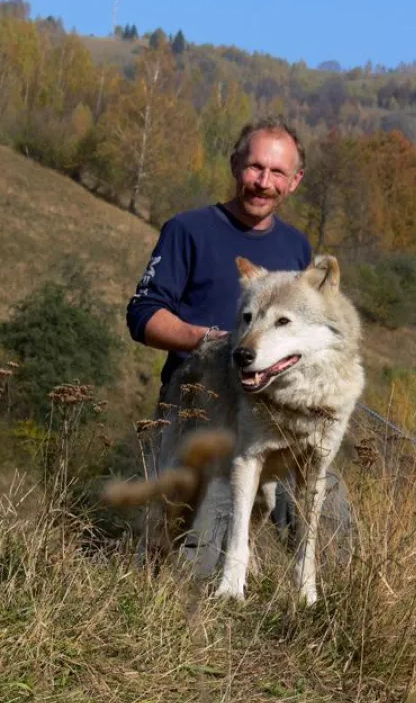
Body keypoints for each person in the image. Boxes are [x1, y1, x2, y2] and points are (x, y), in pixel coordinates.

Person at [126, 115, 312, 544]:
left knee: (328, 523)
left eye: (277, 172)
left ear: (295, 181)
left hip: (275, 417)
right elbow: (143, 315)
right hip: (199, 405)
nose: (263, 182)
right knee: (198, 554)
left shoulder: (298, 247)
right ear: (234, 165)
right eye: (255, 167)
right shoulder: (187, 230)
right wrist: (211, 341)